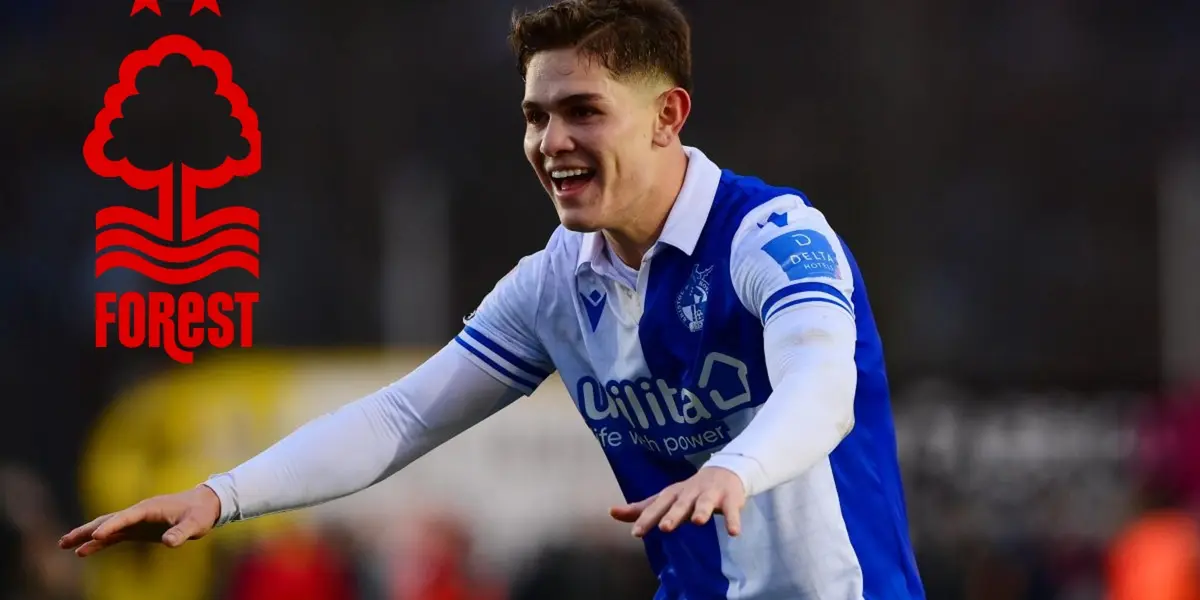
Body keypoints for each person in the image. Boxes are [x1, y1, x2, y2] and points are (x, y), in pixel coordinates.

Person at [61, 0, 925, 597]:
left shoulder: (770, 235)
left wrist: (732, 469)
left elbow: (822, 386)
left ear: (668, 116)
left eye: (582, 111)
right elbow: (400, 418)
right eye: (534, 115)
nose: (551, 142)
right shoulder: (553, 283)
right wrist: (219, 496)